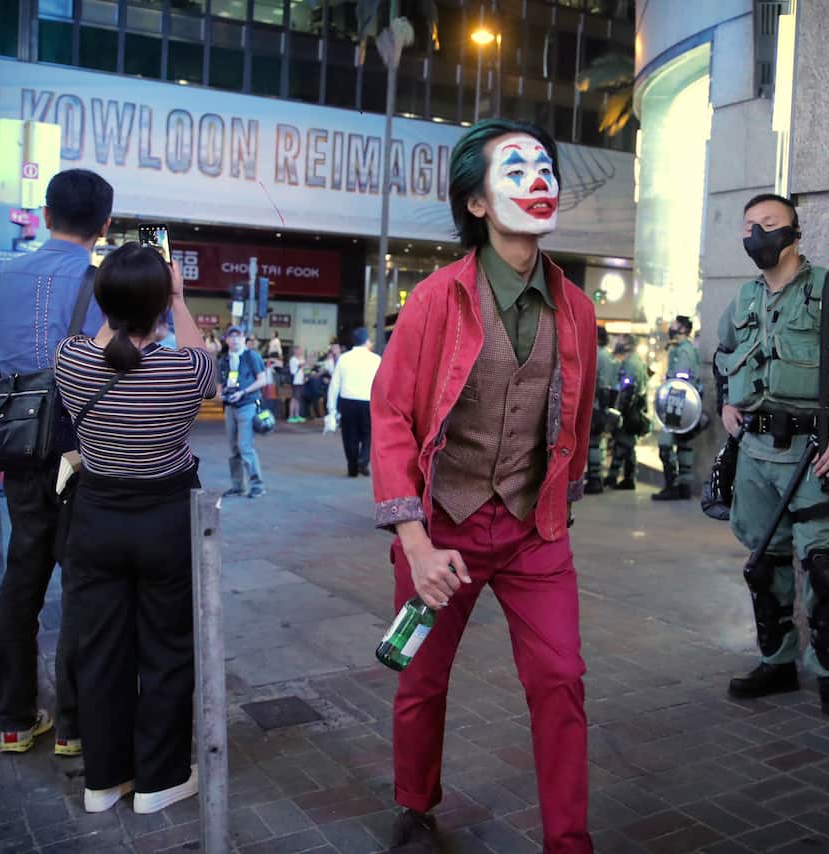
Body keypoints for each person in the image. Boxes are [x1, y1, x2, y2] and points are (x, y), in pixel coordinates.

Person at [370, 118, 597, 852]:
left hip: (534, 532)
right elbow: (393, 414)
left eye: (545, 166)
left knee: (561, 679)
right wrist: (415, 541)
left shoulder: (579, 310)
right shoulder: (438, 298)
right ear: (475, 204)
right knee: (421, 679)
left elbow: (579, 420)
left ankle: (569, 841)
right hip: (443, 529)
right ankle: (414, 803)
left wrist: (554, 500)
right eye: (516, 168)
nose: (539, 179)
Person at [714, 193, 829, 714]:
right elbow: (724, 357)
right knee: (764, 562)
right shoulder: (743, 298)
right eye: (749, 227)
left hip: (812, 450)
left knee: (824, 565)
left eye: (769, 224)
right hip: (755, 451)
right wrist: (727, 404)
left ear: (795, 231)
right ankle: (777, 663)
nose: (757, 235)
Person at [55, 243, 214, 814]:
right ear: (160, 306)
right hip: (165, 523)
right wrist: (177, 298)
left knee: (99, 652)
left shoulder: (68, 360)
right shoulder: (184, 369)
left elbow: (103, 344)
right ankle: (159, 780)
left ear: (102, 299)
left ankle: (103, 780)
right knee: (167, 650)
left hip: (95, 521)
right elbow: (205, 364)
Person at [0, 168, 110, 756]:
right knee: (82, 583)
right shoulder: (113, 284)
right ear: (104, 226)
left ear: (46, 216)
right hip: (89, 454)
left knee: (20, 582)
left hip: (21, 456)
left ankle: (15, 720)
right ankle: (73, 728)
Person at [218, 326, 270, 498]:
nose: (234, 340)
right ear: (226, 340)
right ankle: (238, 486)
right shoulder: (224, 360)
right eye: (231, 337)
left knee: (245, 446)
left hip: (247, 405)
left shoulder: (251, 356)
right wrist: (222, 394)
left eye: (238, 336)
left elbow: (263, 380)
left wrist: (243, 392)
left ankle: (257, 485)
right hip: (230, 407)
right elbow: (220, 385)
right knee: (234, 448)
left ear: (244, 339)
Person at [653, 315, 701, 501]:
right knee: (684, 445)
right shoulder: (687, 349)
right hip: (686, 406)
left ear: (682, 329)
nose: (671, 327)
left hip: (677, 403)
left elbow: (679, 382)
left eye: (675, 324)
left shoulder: (683, 351)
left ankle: (672, 485)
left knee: (665, 445)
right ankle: (684, 487)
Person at [326, 328, 381, 477]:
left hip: (347, 401)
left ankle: (352, 467)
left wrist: (331, 408)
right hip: (368, 401)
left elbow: (335, 384)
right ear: (366, 341)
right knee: (368, 434)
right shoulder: (376, 359)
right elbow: (382, 384)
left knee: (350, 435)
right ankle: (363, 459)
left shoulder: (344, 358)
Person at [603, 334, 648, 490]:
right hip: (632, 409)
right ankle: (623, 478)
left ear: (628, 345)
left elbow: (628, 390)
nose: (617, 344)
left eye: (621, 341)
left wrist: (619, 410)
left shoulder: (631, 363)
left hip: (630, 410)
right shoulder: (632, 361)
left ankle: (618, 478)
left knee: (624, 443)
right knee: (625, 445)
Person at [584, 326, 616, 494]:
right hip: (603, 404)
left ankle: (594, 478)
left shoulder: (597, 354)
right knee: (597, 442)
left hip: (596, 404)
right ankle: (596, 476)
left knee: (593, 443)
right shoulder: (608, 355)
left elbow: (596, 382)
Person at [288, 345, 307, 423]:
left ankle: (297, 415)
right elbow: (301, 365)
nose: (300, 351)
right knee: (294, 398)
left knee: (298, 399)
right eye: (299, 350)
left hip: (300, 381)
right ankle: (291, 416)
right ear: (295, 351)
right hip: (295, 381)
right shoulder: (293, 359)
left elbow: (305, 368)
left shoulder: (301, 359)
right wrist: (306, 361)